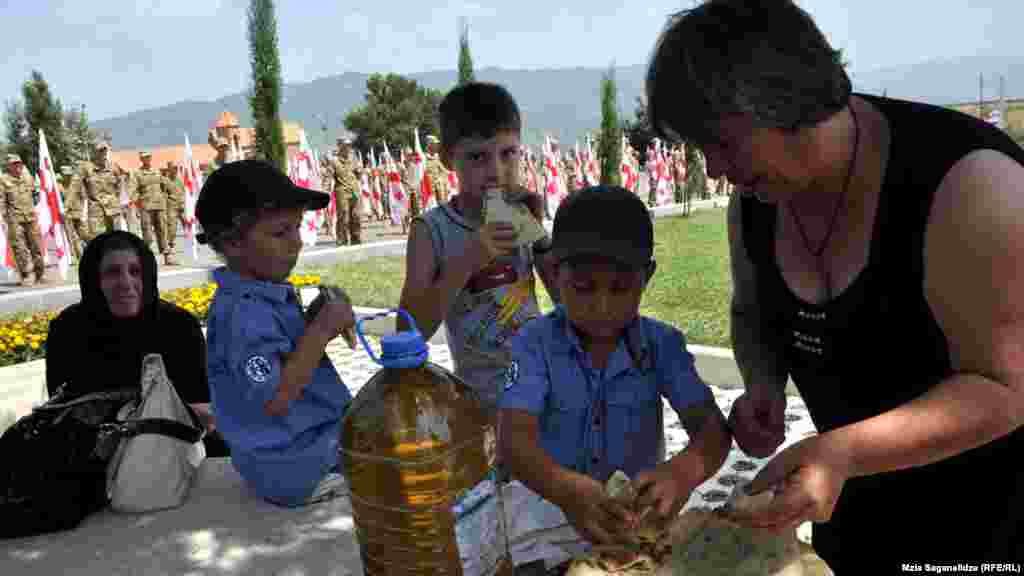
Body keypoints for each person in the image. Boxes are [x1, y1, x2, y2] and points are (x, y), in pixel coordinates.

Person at [645, 0, 1024, 567]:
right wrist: (765, 385)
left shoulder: (969, 186)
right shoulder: (756, 203)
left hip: (993, 528)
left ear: (778, 99)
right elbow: (752, 312)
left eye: (721, 142)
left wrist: (843, 450)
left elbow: (1008, 387)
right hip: (854, 520)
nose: (715, 169)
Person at [499, 186, 731, 550]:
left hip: (635, 523)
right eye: (583, 288)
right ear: (556, 273)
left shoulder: (662, 346)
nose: (602, 305)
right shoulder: (534, 343)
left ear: (647, 277)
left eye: (621, 288)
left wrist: (682, 472)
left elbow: (713, 433)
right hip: (550, 514)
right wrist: (565, 489)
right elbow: (513, 442)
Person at [196, 159, 356, 507]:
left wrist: (313, 321)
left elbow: (289, 354)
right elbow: (275, 399)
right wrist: (322, 330)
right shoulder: (244, 312)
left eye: (297, 228)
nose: (296, 243)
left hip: (299, 449)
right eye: (281, 233)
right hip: (296, 461)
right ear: (233, 243)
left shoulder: (260, 293)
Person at [398, 81, 559, 414]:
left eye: (507, 153)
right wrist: (466, 261)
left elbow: (565, 297)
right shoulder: (431, 231)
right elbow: (408, 331)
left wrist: (540, 235)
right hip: (480, 402)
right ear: (446, 158)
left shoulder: (518, 214)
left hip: (542, 385)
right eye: (477, 157)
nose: (496, 171)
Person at [44, 230, 228, 456]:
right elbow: (63, 412)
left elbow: (202, 409)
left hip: (177, 451)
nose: (126, 283)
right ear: (94, 280)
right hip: (94, 458)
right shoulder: (69, 330)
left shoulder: (178, 327)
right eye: (112, 272)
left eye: (135, 271)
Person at [2, 154, 47, 286]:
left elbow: (36, 193)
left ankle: (40, 274)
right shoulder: (3, 180)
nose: (17, 166)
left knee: (36, 246)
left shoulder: (28, 178)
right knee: (20, 248)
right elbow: (1, 201)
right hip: (14, 219)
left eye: (19, 163)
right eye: (14, 164)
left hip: (31, 217)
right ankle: (26, 274)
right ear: (9, 166)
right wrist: (3, 219)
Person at [133, 151, 175, 266]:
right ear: (141, 159)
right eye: (144, 157)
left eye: (148, 157)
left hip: (159, 205)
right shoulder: (137, 173)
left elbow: (165, 185)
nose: (146, 159)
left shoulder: (157, 171)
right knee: (147, 233)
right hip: (145, 206)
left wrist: (170, 196)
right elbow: (133, 191)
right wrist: (137, 206)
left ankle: (167, 256)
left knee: (162, 230)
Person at [84, 142, 122, 235]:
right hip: (96, 211)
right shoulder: (87, 169)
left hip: (113, 209)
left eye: (105, 150)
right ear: (95, 153)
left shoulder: (114, 168)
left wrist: (114, 199)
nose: (103, 153)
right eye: (100, 151)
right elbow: (83, 188)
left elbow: (119, 185)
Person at [332, 137, 361, 246]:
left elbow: (359, 175)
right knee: (343, 215)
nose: (348, 148)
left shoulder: (353, 159)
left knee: (356, 215)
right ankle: (342, 239)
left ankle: (356, 237)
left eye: (349, 146)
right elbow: (328, 177)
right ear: (340, 147)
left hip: (354, 190)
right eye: (346, 146)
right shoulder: (334, 162)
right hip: (342, 192)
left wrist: (360, 170)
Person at [162, 162, 186, 261]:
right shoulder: (165, 181)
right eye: (173, 168)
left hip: (181, 205)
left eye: (176, 168)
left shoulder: (179, 180)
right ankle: (170, 245)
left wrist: (184, 202)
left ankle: (191, 242)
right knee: (172, 228)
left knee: (187, 224)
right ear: (169, 169)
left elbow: (183, 191)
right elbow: (163, 194)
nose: (175, 170)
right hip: (171, 207)